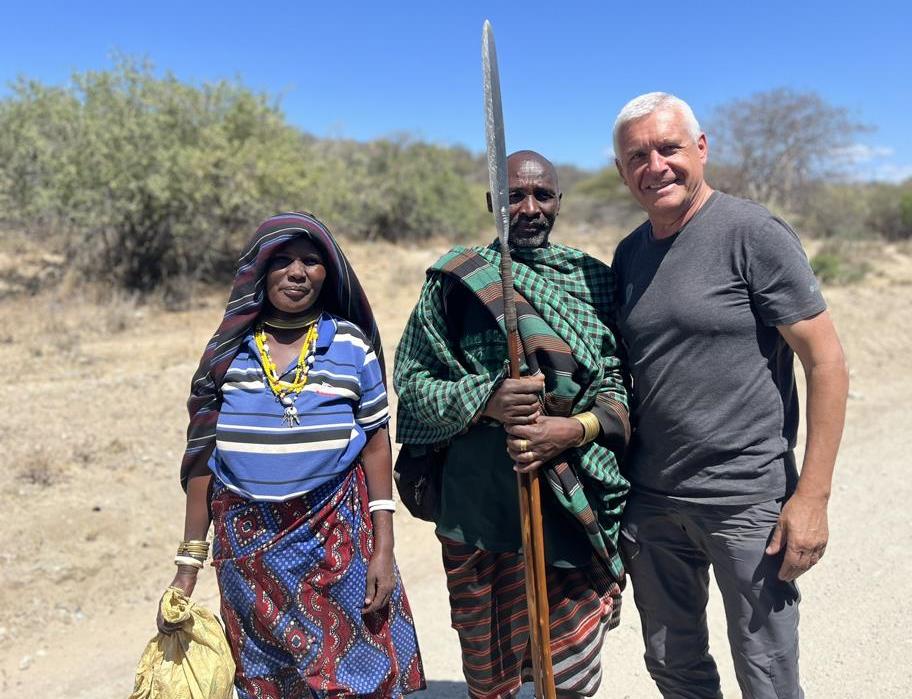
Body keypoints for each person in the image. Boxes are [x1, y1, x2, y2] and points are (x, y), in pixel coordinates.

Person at [611, 92, 849, 698]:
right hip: (654, 499)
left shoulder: (751, 233)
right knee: (672, 664)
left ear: (701, 148)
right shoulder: (629, 254)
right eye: (637, 155)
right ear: (621, 170)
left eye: (669, 148)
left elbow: (825, 361)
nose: (655, 165)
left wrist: (812, 497)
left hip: (746, 502)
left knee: (766, 672)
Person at [158, 212, 425, 698]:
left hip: (335, 541)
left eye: (311, 261)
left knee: (353, 678)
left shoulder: (350, 344)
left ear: (330, 273)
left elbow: (376, 440)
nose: (297, 273)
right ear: (259, 271)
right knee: (264, 682)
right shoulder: (227, 353)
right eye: (281, 261)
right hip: (247, 553)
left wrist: (384, 547)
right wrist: (188, 563)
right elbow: (203, 459)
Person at [394, 150, 631, 698]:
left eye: (541, 196)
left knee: (569, 674)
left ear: (558, 203)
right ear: (490, 203)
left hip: (572, 501)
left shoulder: (592, 281)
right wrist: (488, 399)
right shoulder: (454, 282)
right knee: (491, 666)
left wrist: (575, 430)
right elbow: (413, 385)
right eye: (513, 196)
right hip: (478, 508)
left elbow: (620, 383)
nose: (528, 208)